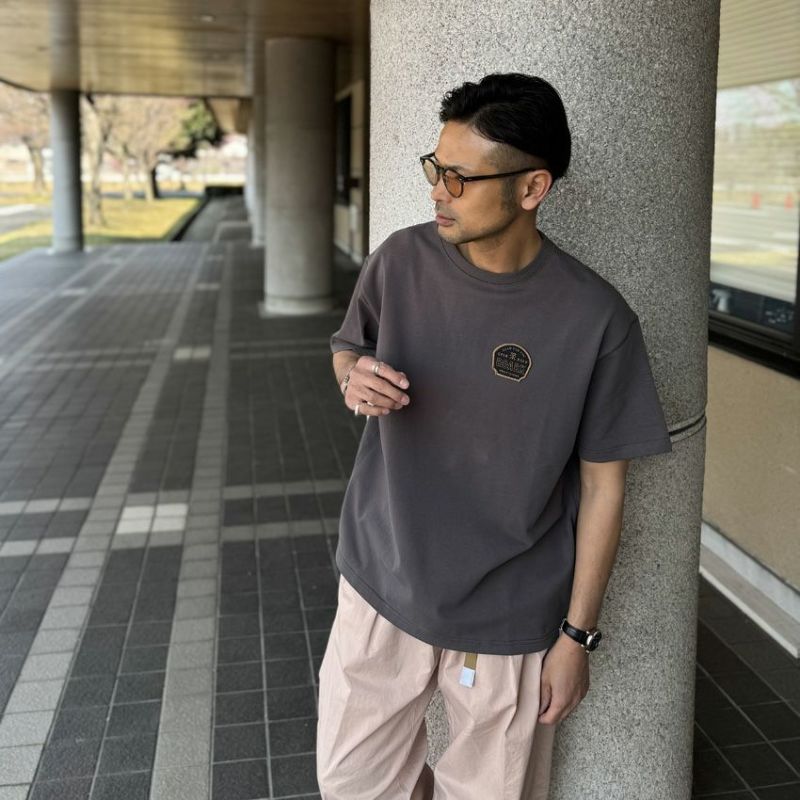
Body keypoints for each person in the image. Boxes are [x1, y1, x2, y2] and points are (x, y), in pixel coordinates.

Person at [316, 73, 672, 800]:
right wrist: (352, 375)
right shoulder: (399, 261)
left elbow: (604, 489)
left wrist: (576, 638)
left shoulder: (597, 320)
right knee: (352, 785)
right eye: (434, 168)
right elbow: (348, 347)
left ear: (532, 188)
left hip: (509, 613)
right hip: (382, 580)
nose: (437, 191)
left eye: (459, 177)